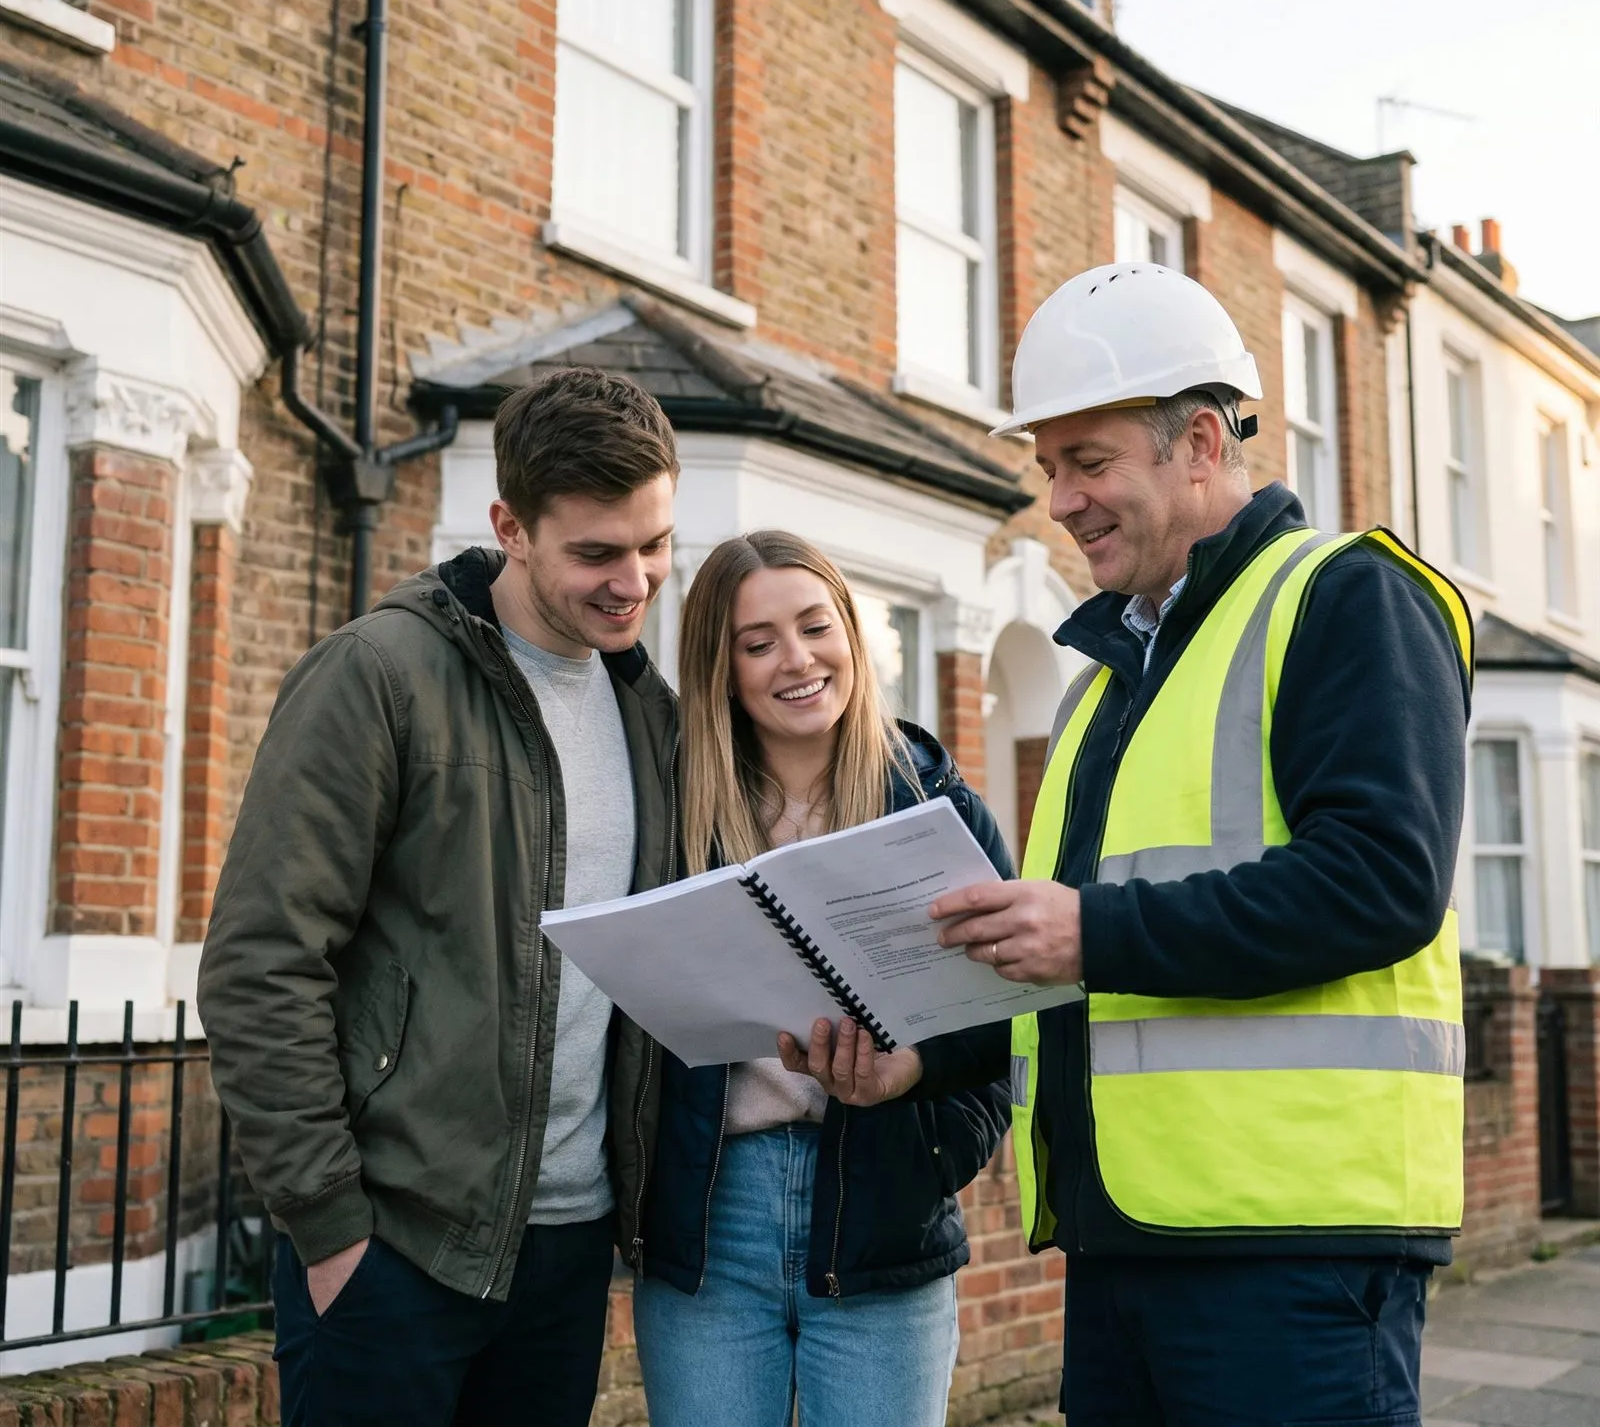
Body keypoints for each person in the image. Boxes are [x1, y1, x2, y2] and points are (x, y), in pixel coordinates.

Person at [783, 263, 1473, 1427]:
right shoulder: (1106, 685)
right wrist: (921, 1061)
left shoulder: (1343, 595)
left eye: (1087, 461)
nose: (1058, 500)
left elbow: (1381, 881)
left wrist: (1089, 929)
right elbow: (1064, 970)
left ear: (1199, 442)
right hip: (1123, 1241)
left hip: (1293, 1251)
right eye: (1048, 466)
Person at [198, 368, 681, 1426]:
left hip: (568, 1251)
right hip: (394, 1248)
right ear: (510, 528)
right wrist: (329, 1226)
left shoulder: (652, 712)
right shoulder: (376, 674)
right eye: (596, 553)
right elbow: (260, 963)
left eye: (654, 545)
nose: (633, 582)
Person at [633, 530, 1012, 1427]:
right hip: (713, 1218)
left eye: (814, 627)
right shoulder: (672, 811)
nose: (797, 660)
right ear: (722, 670)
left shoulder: (937, 805)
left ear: (850, 631)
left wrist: (924, 1125)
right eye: (758, 643)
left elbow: (1010, 1026)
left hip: (884, 1212)